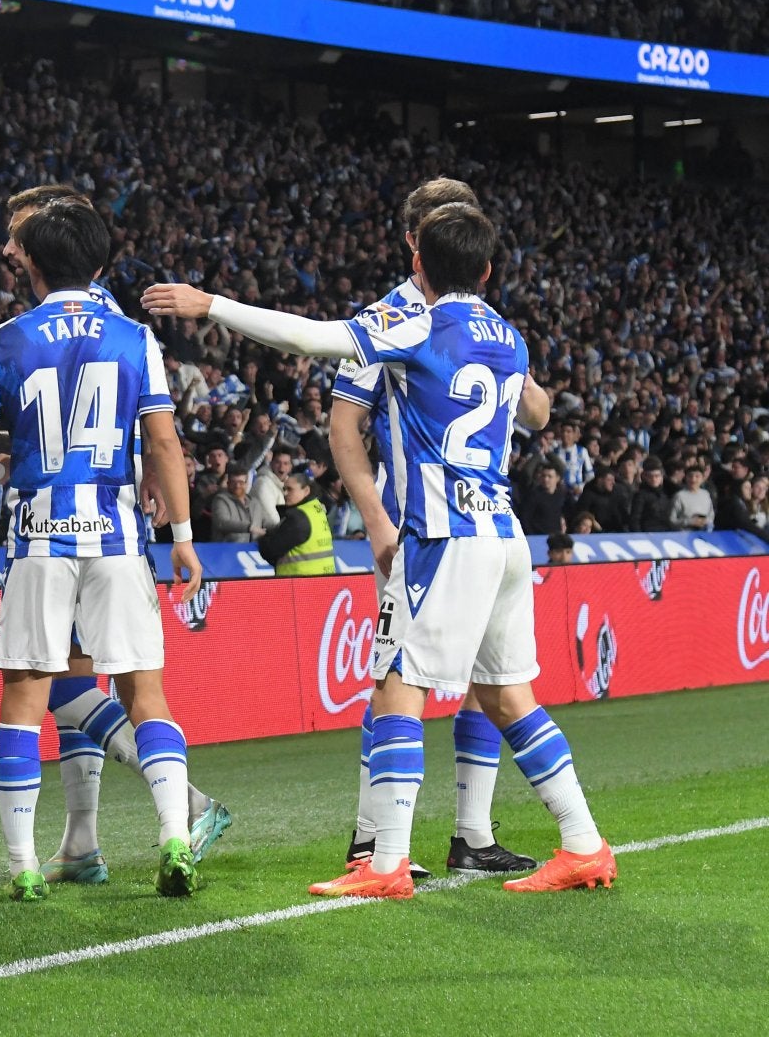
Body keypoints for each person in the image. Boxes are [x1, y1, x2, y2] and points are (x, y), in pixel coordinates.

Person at [147, 202, 615, 897]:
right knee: (508, 695)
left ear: (418, 262)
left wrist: (211, 303)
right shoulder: (509, 337)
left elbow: (309, 339)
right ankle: (583, 843)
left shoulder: (415, 321)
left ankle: (388, 861)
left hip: (447, 535)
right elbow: (537, 411)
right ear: (487, 269)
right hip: (506, 535)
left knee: (398, 687)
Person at [204, 177, 538, 877]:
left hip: (472, 516)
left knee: (482, 678)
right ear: (417, 239)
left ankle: (471, 835)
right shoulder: (390, 315)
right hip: (421, 523)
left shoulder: (467, 311)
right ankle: (372, 842)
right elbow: (344, 426)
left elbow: (535, 411)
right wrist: (378, 519)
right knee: (398, 673)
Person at [0, 197, 204, 902]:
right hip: (117, 536)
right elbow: (162, 442)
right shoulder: (132, 336)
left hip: (39, 536)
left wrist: (15, 462)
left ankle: (24, 862)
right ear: (99, 264)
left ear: (31, 263)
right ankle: (174, 837)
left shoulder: (5, 338)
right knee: (144, 695)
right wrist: (183, 538)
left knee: (23, 702)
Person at [257, 472, 336, 575]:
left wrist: (262, 537)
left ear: (306, 490)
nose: (285, 494)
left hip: (299, 582)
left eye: (290, 489)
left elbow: (270, 550)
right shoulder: (316, 509)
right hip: (323, 578)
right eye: (284, 489)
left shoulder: (298, 517)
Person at [209, 466, 258, 543]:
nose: (237, 486)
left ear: (247, 484)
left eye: (241, 482)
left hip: (253, 549)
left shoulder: (254, 502)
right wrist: (248, 527)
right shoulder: (220, 500)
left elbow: (266, 522)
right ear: (228, 483)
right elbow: (221, 522)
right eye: (233, 482)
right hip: (226, 550)